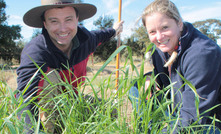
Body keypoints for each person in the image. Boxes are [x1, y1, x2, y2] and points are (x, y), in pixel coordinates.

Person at [16, 0, 124, 133]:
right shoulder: (35, 53)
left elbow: (102, 35)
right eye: (54, 21)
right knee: (50, 77)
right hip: (44, 108)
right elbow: (25, 101)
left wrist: (115, 30)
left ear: (77, 20)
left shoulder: (86, 39)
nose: (63, 28)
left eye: (68, 19)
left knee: (110, 110)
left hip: (71, 101)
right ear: (45, 24)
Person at [129, 0, 221, 133]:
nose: (159, 37)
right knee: (136, 86)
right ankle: (145, 129)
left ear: (179, 23)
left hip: (207, 122)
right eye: (152, 32)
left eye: (165, 27)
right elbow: (166, 78)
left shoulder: (201, 53)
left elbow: (192, 118)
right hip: (177, 111)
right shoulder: (160, 50)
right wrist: (149, 78)